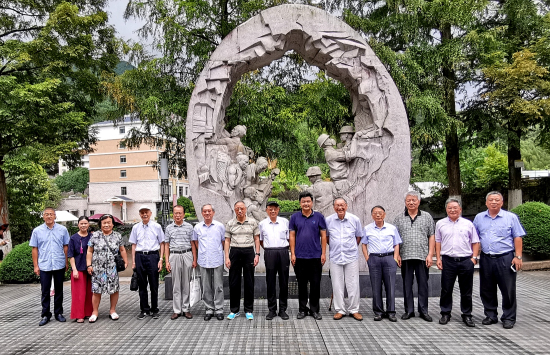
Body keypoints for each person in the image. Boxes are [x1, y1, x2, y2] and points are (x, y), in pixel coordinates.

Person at [473, 191, 525, 329]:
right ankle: (490, 315)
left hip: (505, 258)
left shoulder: (510, 217)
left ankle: (508, 317)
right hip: (486, 258)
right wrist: (474, 256)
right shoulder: (479, 218)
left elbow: (517, 237)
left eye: (497, 200)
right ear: (486, 202)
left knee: (508, 290)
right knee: (486, 289)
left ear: (502, 203)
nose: (494, 202)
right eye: (491, 200)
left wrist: (518, 256)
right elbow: (475, 238)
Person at [436, 198, 480, 327]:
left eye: (455, 207)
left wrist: (474, 258)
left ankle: (467, 315)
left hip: (466, 260)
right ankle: (445, 313)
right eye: (450, 208)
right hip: (448, 260)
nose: (452, 210)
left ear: (460, 209)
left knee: (466, 290)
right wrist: (438, 258)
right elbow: (438, 241)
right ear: (446, 209)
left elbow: (475, 242)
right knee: (446, 289)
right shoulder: (440, 224)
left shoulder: (468, 224)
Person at [393, 191, 435, 322]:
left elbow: (432, 236)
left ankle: (423, 310)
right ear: (405, 202)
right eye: (408, 200)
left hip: (422, 256)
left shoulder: (427, 217)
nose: (411, 202)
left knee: (423, 284)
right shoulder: (399, 218)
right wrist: (397, 254)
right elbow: (396, 239)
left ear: (419, 202)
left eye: (414, 200)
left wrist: (430, 255)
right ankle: (409, 310)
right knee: (407, 284)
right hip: (405, 256)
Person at [289, 191, 327, 320]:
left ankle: (314, 310)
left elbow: (323, 236)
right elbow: (292, 236)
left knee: (315, 284)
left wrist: (323, 253)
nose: (306, 203)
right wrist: (292, 253)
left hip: (316, 257)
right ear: (300, 203)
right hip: (300, 257)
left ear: (312, 202)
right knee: (302, 284)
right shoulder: (294, 218)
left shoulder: (319, 217)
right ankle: (302, 309)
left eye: (308, 201)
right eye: (303, 201)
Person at [30, 208, 70, 326]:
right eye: (46, 214)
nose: (49, 217)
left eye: (51, 214)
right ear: (43, 216)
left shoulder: (62, 230)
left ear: (55, 216)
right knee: (45, 291)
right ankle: (45, 314)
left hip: (59, 263)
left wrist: (66, 262)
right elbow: (34, 248)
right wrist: (36, 266)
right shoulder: (37, 231)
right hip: (44, 264)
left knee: (59, 290)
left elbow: (65, 247)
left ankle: (58, 313)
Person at [362, 205, 402, 322]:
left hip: (389, 258)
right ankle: (378, 312)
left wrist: (395, 257)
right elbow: (364, 244)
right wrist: (367, 258)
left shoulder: (392, 228)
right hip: (374, 259)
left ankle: (391, 312)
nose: (378, 215)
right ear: (372, 215)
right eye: (375, 213)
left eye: (380, 213)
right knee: (376, 286)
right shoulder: (367, 228)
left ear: (384, 214)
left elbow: (397, 244)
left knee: (390, 286)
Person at [326, 198, 363, 321]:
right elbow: (326, 238)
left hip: (351, 256)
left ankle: (354, 310)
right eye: (337, 205)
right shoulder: (329, 220)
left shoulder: (354, 219)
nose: (340, 207)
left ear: (346, 206)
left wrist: (349, 247)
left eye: (342, 205)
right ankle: (340, 310)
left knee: (353, 284)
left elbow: (358, 236)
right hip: (335, 256)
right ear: (334, 207)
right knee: (337, 284)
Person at [86, 214, 127, 322]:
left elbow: (122, 250)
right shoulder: (95, 235)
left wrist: (126, 261)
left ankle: (112, 310)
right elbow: (89, 251)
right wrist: (89, 265)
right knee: (96, 290)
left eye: (109, 222)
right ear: (100, 224)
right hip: (97, 267)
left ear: (113, 224)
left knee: (114, 289)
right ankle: (95, 312)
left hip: (112, 267)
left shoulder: (117, 235)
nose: (107, 225)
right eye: (104, 223)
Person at [225, 201, 260, 320]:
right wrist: (226, 257)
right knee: (234, 282)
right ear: (234, 210)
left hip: (248, 251)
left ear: (245, 209)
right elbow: (227, 241)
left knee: (249, 281)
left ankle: (248, 309)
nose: (239, 211)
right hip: (234, 251)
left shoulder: (252, 222)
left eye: (242, 208)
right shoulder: (230, 223)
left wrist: (257, 254)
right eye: (237, 209)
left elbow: (256, 239)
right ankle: (234, 310)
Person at [130, 205, 165, 320]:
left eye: (146, 212)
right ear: (140, 214)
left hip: (153, 256)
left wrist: (161, 259)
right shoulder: (135, 227)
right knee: (142, 285)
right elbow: (134, 245)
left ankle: (155, 309)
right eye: (142, 212)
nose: (144, 214)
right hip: (140, 256)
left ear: (150, 213)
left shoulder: (157, 226)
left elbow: (162, 243)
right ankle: (144, 309)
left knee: (154, 285)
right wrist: (134, 261)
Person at [192, 204, 226, 321]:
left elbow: (223, 242)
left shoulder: (220, 226)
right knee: (206, 286)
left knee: (218, 286)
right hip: (203, 259)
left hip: (217, 258)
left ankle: (219, 309)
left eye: (209, 211)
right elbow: (195, 242)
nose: (207, 213)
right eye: (205, 211)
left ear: (213, 212)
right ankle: (209, 309)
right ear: (202, 213)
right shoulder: (197, 227)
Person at [259, 200, 290, 320]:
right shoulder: (262, 224)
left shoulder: (285, 222)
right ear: (266, 210)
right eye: (270, 209)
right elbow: (261, 240)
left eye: (275, 209)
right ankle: (272, 309)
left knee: (284, 281)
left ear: (278, 210)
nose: (273, 211)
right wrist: (268, 250)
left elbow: (289, 238)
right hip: (270, 252)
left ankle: (283, 309)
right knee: (270, 281)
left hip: (283, 251)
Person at [165, 205, 197, 320]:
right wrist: (167, 261)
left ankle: (186, 309)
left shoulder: (189, 227)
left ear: (183, 214)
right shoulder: (169, 228)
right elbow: (167, 245)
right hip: (174, 255)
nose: (177, 215)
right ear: (173, 214)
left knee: (186, 284)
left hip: (187, 254)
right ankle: (176, 310)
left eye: (180, 213)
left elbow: (193, 243)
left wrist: (194, 259)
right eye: (175, 213)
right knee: (176, 284)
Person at [68, 216, 93, 323]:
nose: (83, 225)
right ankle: (79, 315)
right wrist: (74, 269)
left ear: (88, 225)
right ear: (78, 225)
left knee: (90, 292)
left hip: (90, 268)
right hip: (78, 268)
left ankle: (88, 312)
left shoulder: (92, 237)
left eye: (85, 223)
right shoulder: (73, 238)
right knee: (78, 294)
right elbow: (71, 255)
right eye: (81, 223)